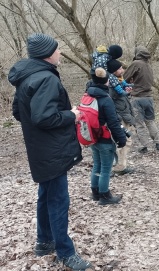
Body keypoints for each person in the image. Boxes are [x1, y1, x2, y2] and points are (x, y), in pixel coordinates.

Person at [8, 33, 91, 270]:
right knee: (58, 200)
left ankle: (44, 242)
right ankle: (66, 252)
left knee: (45, 195)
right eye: (57, 50)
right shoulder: (46, 78)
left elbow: (18, 112)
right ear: (48, 54)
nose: (60, 53)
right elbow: (44, 117)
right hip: (52, 150)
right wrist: (71, 115)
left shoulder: (27, 76)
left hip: (39, 148)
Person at [86, 67, 127, 204]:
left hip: (92, 136)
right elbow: (113, 122)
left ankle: (95, 191)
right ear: (105, 81)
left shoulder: (88, 95)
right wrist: (121, 139)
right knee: (106, 167)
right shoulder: (105, 98)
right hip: (103, 137)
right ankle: (105, 196)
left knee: (97, 164)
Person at [124, 46, 159, 153]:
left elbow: (125, 77)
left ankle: (144, 146)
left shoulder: (136, 63)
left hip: (137, 97)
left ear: (137, 54)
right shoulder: (148, 65)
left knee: (139, 123)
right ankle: (158, 142)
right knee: (150, 121)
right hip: (149, 97)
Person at [106, 59, 136, 175]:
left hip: (123, 114)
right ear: (114, 70)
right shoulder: (112, 84)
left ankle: (120, 165)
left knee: (124, 140)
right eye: (119, 68)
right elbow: (114, 101)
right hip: (120, 116)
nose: (122, 70)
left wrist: (127, 90)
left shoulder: (117, 81)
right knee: (123, 140)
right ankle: (118, 166)